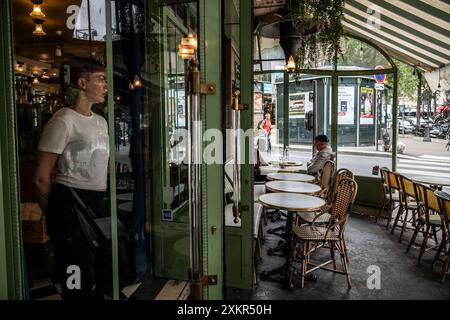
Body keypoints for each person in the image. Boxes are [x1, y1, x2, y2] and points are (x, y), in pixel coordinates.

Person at [33, 57, 111, 299]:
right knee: (76, 270)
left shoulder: (101, 121)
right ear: (82, 83)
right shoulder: (63, 120)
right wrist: (54, 216)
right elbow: (40, 177)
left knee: (100, 267)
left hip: (97, 201)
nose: (106, 86)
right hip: (70, 200)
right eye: (101, 80)